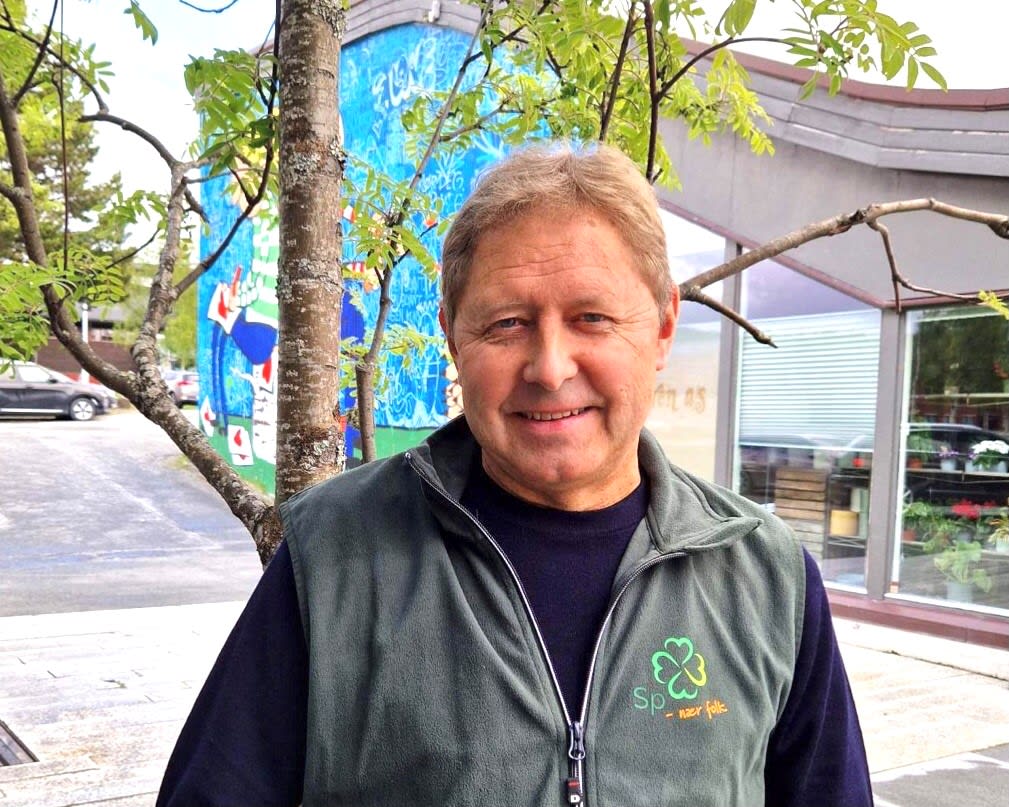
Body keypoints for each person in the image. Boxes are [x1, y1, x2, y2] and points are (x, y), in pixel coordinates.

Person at [157, 142, 872, 807]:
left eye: (591, 317)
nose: (550, 368)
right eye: (506, 324)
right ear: (452, 337)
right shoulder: (334, 556)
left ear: (661, 328)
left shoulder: (766, 577)